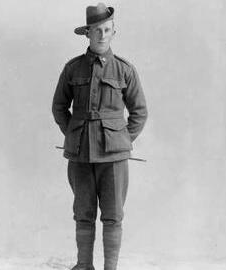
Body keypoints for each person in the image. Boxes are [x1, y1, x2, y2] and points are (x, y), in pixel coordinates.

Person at [52, 3, 148, 270]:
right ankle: (84, 265)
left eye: (107, 30)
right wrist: (74, 133)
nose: (102, 35)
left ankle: (110, 268)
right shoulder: (73, 69)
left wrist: (122, 139)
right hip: (80, 154)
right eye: (97, 30)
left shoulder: (124, 70)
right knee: (83, 213)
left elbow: (139, 111)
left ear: (114, 32)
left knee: (113, 215)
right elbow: (59, 107)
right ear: (88, 34)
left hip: (113, 158)